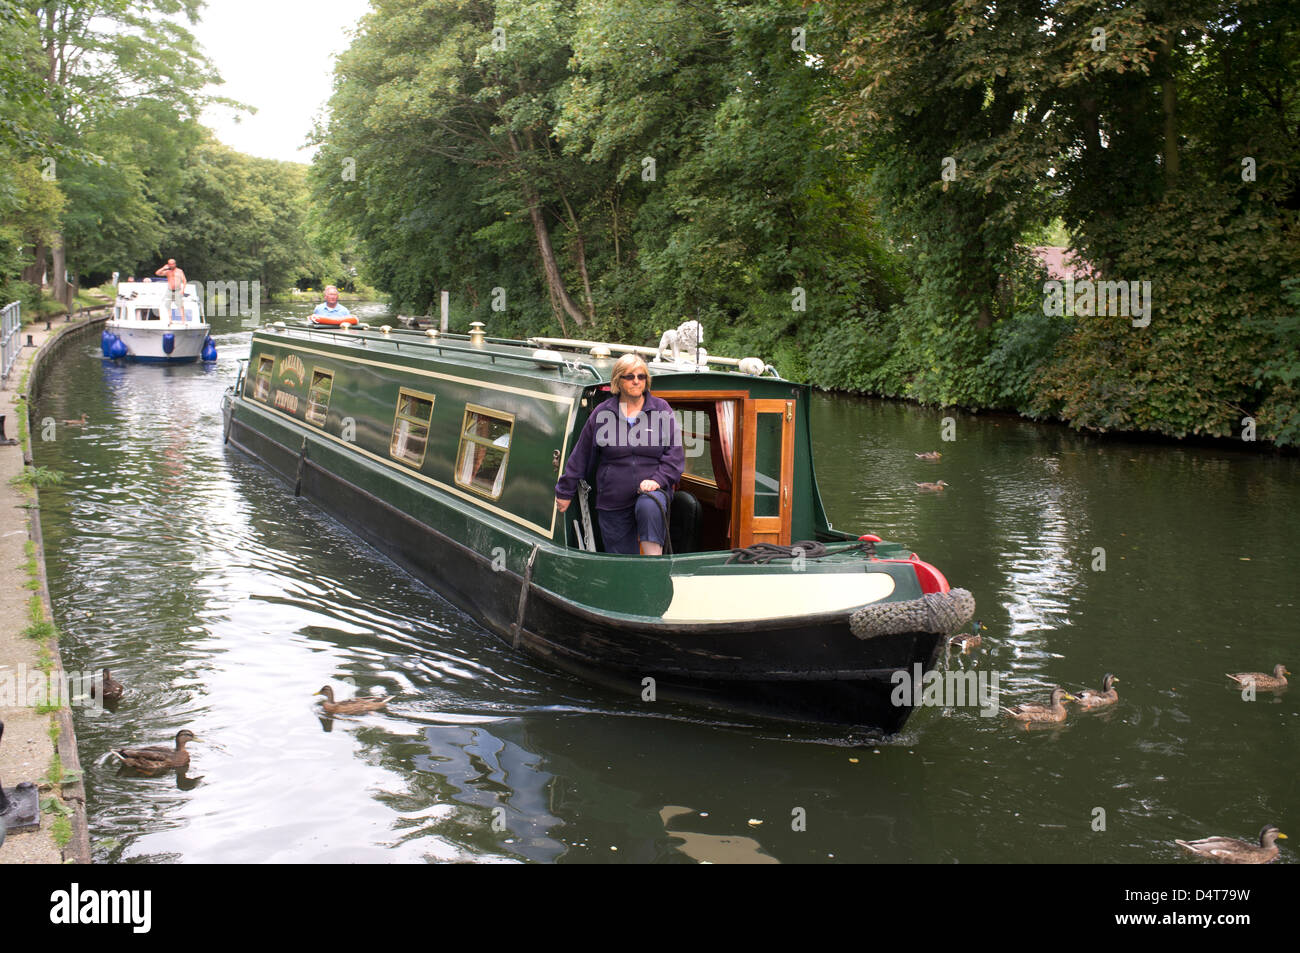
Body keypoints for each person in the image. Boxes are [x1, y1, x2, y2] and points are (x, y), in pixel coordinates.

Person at [555, 354, 684, 555]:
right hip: (612, 497)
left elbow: (674, 457)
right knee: (620, 557)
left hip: (653, 491)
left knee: (649, 505)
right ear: (618, 381)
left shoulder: (661, 409)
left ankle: (654, 567)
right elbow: (581, 454)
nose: (636, 381)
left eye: (641, 377)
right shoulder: (602, 413)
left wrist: (657, 481)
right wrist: (565, 491)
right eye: (630, 376)